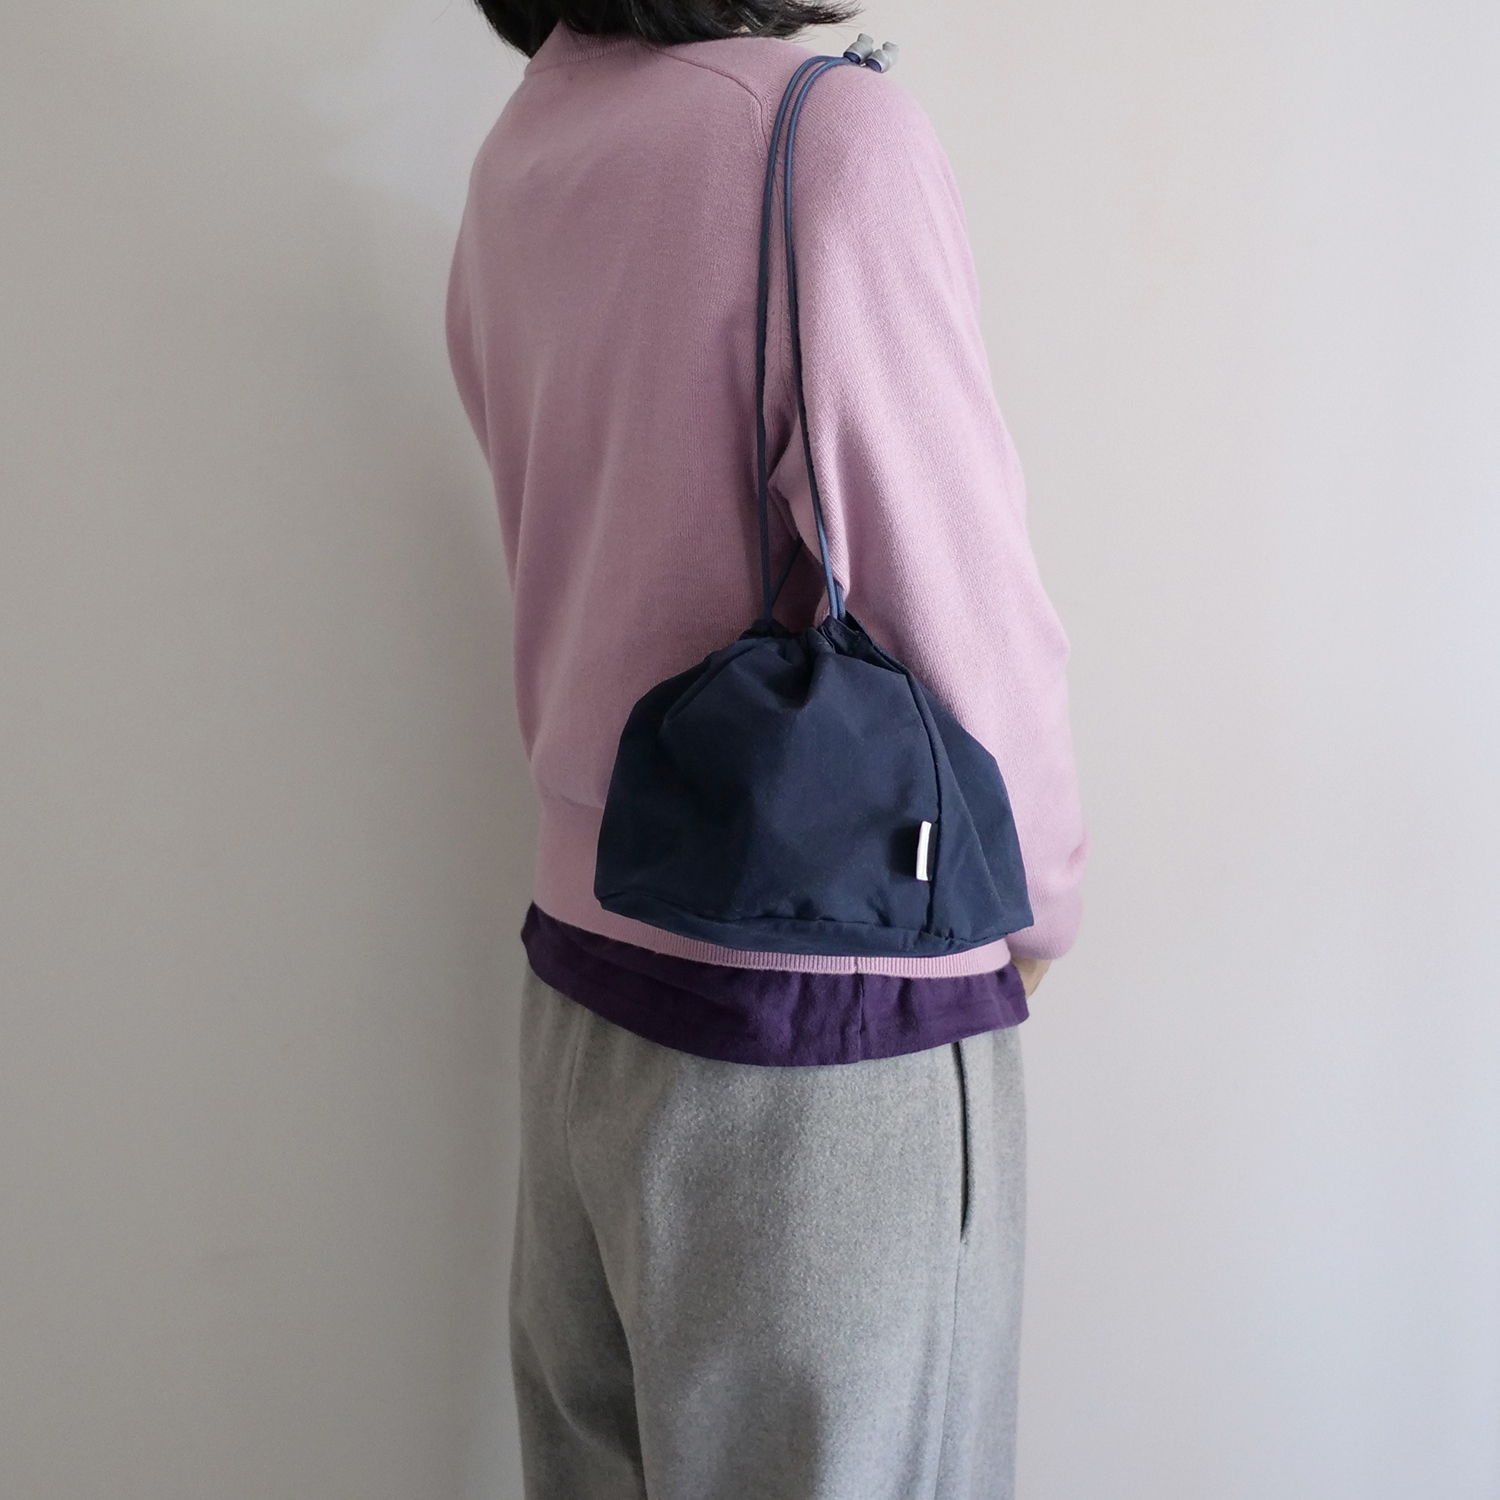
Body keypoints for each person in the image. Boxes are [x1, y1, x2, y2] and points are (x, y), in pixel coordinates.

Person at [446, 3, 1088, 1495]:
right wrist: (1040, 901)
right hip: (821, 1026)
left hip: (582, 1004)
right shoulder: (823, 140)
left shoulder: (527, 151)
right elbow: (958, 599)